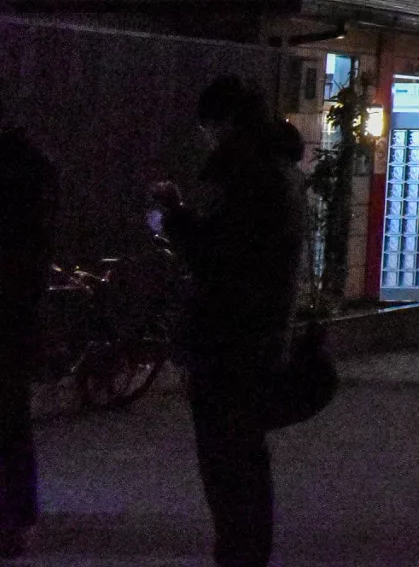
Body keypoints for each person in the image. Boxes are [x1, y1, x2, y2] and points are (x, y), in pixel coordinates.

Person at [153, 76, 303, 567]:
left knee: (228, 466)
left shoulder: (249, 177)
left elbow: (221, 260)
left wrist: (173, 218)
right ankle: (244, 553)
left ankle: (239, 557)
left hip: (230, 344)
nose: (207, 138)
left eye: (209, 127)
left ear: (228, 123)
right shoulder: (278, 172)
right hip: (255, 340)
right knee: (244, 463)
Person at [0, 99, 58, 561]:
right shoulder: (37, 169)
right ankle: (20, 516)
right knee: (13, 418)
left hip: (11, 309)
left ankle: (17, 518)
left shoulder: (19, 172)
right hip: (19, 312)